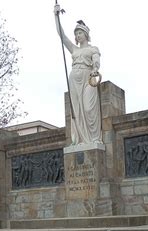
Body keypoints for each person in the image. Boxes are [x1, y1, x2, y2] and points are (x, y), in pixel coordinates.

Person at [54, 4, 102, 145]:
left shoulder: (93, 49)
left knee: (88, 108)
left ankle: (94, 139)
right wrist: (56, 16)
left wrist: (95, 68)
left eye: (79, 32)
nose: (77, 35)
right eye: (76, 33)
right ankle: (80, 139)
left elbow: (96, 60)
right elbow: (61, 36)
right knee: (77, 110)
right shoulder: (74, 49)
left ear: (85, 34)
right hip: (74, 79)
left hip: (88, 79)